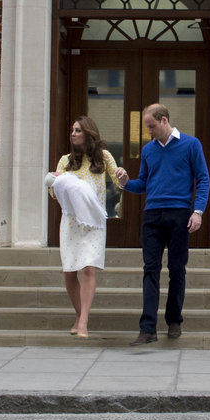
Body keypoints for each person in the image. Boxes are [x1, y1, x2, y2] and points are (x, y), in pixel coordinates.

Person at [115, 103, 209, 346]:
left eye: (152, 126)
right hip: (152, 216)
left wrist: (197, 212)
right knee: (150, 270)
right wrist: (126, 182)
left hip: (180, 214)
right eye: (148, 127)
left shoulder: (191, 144)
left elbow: (203, 179)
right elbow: (143, 184)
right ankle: (147, 329)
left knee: (177, 269)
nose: (149, 131)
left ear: (164, 120)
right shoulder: (148, 150)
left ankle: (174, 320)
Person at [46, 116, 121, 339]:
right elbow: (53, 193)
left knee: (88, 268)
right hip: (70, 222)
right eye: (72, 130)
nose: (73, 134)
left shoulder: (104, 157)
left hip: (94, 223)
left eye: (78, 130)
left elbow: (119, 183)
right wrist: (54, 180)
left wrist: (122, 176)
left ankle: (84, 322)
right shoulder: (65, 161)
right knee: (70, 272)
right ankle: (79, 316)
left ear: (89, 133)